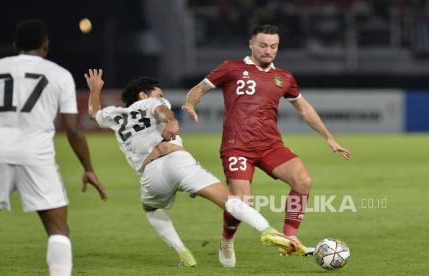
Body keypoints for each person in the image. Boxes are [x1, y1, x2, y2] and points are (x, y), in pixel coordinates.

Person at [84, 69, 308, 267]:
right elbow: (162, 111)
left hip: (151, 175)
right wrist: (172, 122)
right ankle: (267, 230)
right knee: (230, 201)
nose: (162, 97)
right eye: (158, 93)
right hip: (178, 161)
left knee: (151, 209)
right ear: (143, 95)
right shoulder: (150, 102)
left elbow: (94, 113)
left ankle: (184, 254)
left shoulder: (116, 115)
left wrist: (95, 89)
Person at [182, 24, 351, 267]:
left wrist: (329, 137)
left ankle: (289, 236)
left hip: (270, 145)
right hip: (236, 145)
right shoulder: (231, 68)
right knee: (242, 202)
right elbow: (199, 88)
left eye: (273, 46)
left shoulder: (284, 77)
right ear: (251, 44)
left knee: (303, 180)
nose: (268, 50)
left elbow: (304, 109)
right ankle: (227, 240)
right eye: (263, 45)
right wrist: (191, 103)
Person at [0, 19, 107, 276]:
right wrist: (88, 167)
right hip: (37, 157)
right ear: (45, 45)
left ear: (15, 45)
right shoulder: (60, 75)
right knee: (59, 230)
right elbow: (74, 130)